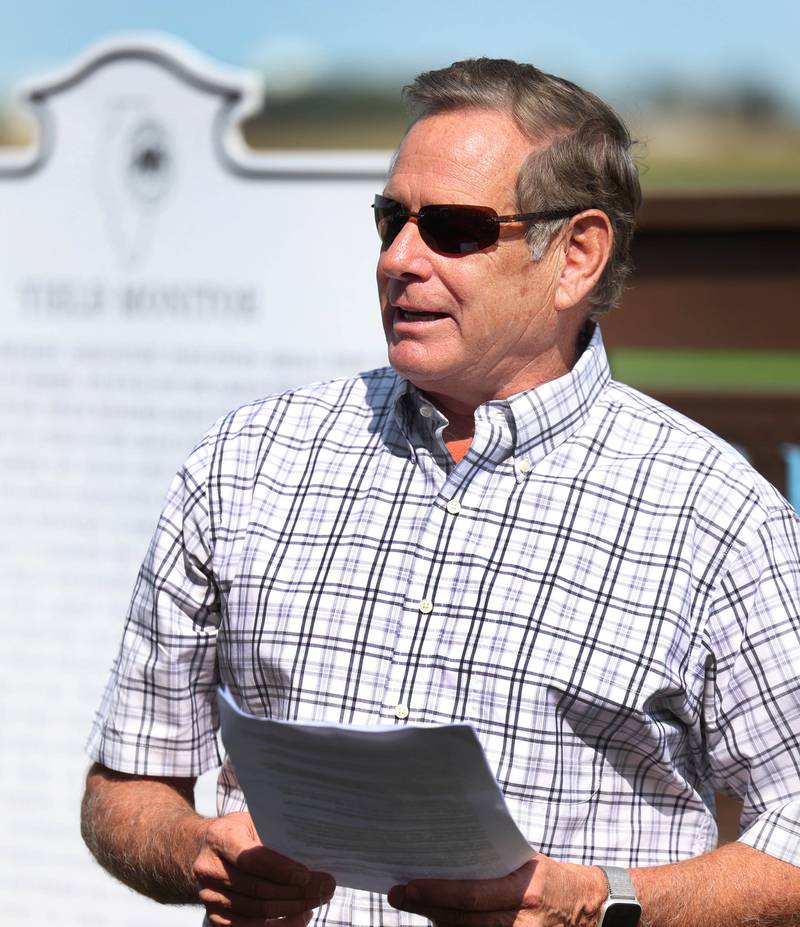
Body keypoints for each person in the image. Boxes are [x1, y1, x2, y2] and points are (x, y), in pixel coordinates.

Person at [81, 58, 800, 927]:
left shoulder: (716, 515)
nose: (397, 259)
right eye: (391, 219)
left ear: (577, 254)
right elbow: (123, 787)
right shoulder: (245, 460)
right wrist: (196, 849)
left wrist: (597, 903)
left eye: (453, 228)